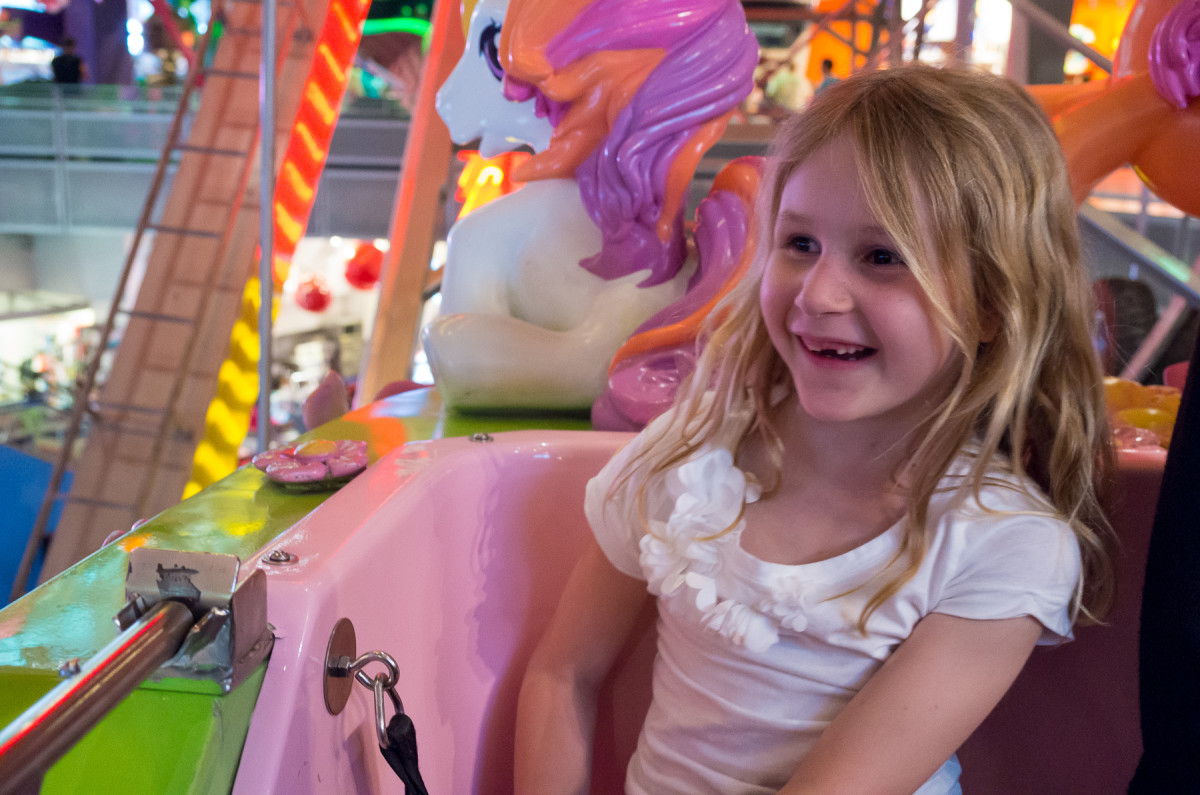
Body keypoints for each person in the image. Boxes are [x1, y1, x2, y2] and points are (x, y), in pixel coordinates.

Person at [513, 65, 1116, 794]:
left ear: (992, 302)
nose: (820, 293)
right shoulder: (691, 451)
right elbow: (561, 673)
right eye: (799, 244)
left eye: (883, 257)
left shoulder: (1002, 540)